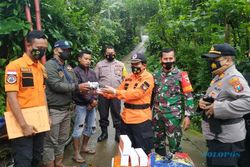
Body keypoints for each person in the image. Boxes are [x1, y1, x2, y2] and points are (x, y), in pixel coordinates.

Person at [199, 43, 250, 167]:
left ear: (228, 60)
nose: (211, 63)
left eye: (214, 60)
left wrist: (218, 108)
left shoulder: (234, 78)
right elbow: (216, 97)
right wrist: (202, 102)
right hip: (216, 137)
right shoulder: (219, 76)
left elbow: (247, 102)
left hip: (226, 141)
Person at [42, 40, 90, 167]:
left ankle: (59, 162)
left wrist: (80, 88)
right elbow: (56, 85)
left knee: (62, 139)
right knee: (50, 141)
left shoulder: (68, 67)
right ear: (56, 50)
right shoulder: (49, 65)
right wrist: (76, 87)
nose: (67, 52)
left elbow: (74, 81)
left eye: (69, 50)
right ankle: (50, 164)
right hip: (54, 110)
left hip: (67, 109)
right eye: (65, 50)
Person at [4, 30, 48, 167]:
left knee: (37, 157)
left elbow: (43, 94)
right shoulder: (14, 66)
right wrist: (23, 125)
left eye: (44, 49)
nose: (41, 51)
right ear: (28, 45)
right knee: (23, 161)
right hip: (21, 122)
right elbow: (11, 97)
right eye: (38, 48)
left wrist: (46, 116)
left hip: (39, 122)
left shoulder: (41, 68)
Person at [99, 53, 154, 154]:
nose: (134, 66)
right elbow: (119, 91)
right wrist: (104, 93)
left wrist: (115, 92)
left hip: (141, 120)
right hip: (126, 119)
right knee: (127, 150)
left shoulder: (148, 78)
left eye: (137, 64)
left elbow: (137, 93)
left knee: (142, 151)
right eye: (132, 64)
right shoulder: (129, 77)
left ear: (144, 65)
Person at [152, 48, 194, 156]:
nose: (168, 61)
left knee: (174, 145)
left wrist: (188, 116)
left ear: (174, 59)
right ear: (161, 60)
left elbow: (188, 96)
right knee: (157, 144)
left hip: (173, 117)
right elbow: (151, 95)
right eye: (165, 58)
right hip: (157, 116)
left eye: (170, 58)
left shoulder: (182, 75)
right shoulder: (155, 75)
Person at [95, 45, 127, 142]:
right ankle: (104, 133)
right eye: (108, 53)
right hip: (103, 95)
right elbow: (95, 80)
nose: (110, 55)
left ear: (115, 53)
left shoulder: (121, 65)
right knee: (103, 114)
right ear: (105, 54)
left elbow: (125, 79)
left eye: (112, 53)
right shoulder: (99, 65)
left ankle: (118, 134)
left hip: (115, 94)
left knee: (116, 114)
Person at [72, 50, 98, 163]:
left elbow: (96, 88)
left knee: (91, 127)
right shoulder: (75, 72)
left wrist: (95, 101)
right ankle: (76, 153)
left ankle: (84, 147)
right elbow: (77, 90)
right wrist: (91, 101)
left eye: (89, 59)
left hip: (91, 105)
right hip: (80, 105)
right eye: (85, 59)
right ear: (79, 58)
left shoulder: (92, 73)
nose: (88, 61)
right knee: (78, 128)